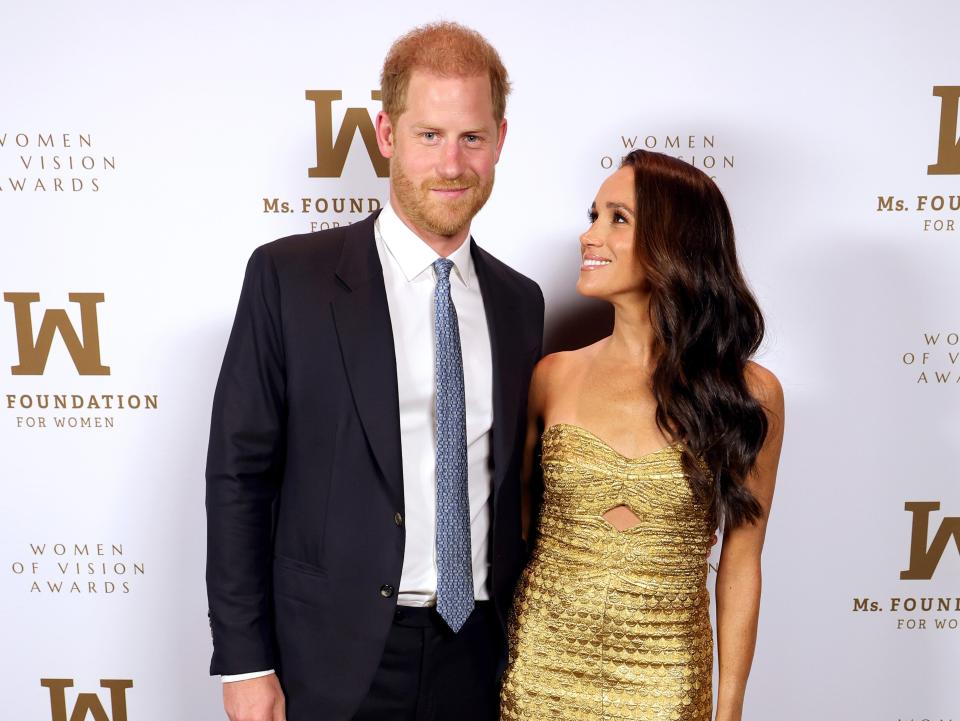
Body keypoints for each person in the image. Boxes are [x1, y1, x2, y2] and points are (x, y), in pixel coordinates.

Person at [205, 22, 543, 721]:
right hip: (331, 656)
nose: (452, 164)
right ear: (386, 134)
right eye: (429, 135)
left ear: (500, 142)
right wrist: (244, 657)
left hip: (481, 652)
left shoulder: (520, 302)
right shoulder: (290, 279)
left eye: (472, 138)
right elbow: (239, 476)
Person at [499, 149, 784, 721]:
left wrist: (728, 711)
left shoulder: (750, 395)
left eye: (617, 218)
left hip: (667, 677)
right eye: (593, 215)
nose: (589, 235)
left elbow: (742, 561)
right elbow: (517, 532)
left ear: (673, 243)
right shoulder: (552, 376)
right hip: (542, 668)